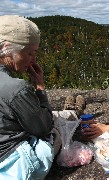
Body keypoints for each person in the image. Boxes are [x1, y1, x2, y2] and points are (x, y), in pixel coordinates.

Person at [0, 15, 61, 179]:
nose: (33, 60)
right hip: (10, 164)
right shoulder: (15, 88)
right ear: (6, 48)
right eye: (30, 53)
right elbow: (42, 128)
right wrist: (40, 87)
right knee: (56, 131)